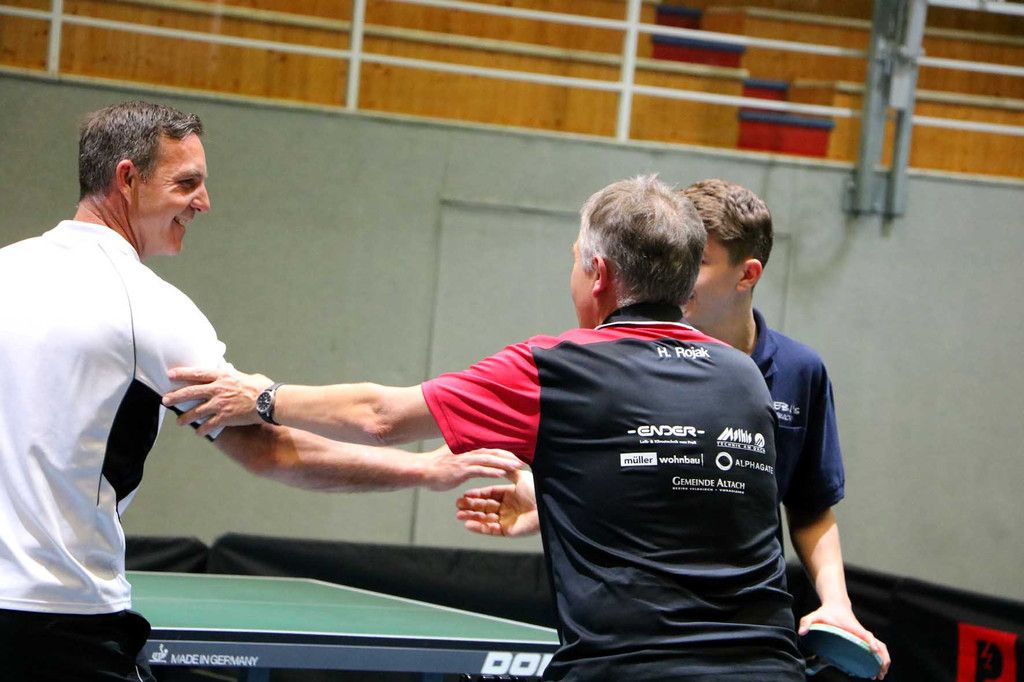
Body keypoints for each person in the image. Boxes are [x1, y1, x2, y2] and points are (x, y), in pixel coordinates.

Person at [164, 175, 805, 681]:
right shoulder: (743, 376)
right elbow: (690, 492)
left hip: (631, 668)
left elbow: (381, 417)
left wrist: (264, 397)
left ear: (600, 274)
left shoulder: (557, 367)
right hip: (771, 666)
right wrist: (554, 499)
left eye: (576, 260)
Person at [0, 100, 520, 681]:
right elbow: (270, 450)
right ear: (127, 178)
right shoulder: (146, 307)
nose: (203, 202)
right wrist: (423, 469)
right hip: (60, 616)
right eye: (186, 183)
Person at [455, 178, 891, 679]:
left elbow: (810, 506)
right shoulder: (613, 357)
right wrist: (553, 499)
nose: (678, 271)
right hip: (638, 635)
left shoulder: (798, 371)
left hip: (743, 635)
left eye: (698, 261)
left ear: (747, 274)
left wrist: (836, 602)